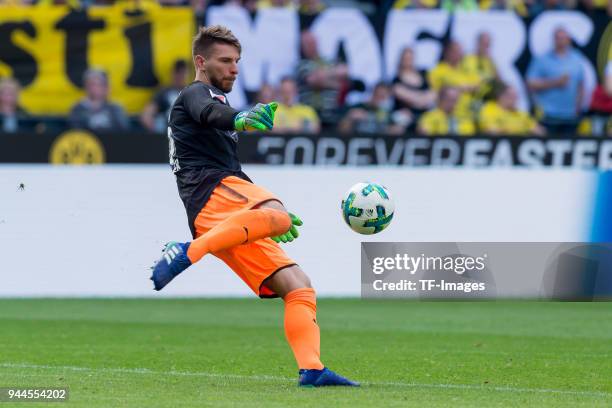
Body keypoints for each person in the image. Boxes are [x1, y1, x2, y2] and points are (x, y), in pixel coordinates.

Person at [150, 25, 359, 388]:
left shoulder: (216, 99)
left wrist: (265, 219)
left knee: (298, 286)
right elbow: (209, 113)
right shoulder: (195, 94)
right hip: (210, 193)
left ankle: (312, 369)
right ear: (201, 62)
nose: (234, 68)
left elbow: (228, 157)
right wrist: (240, 119)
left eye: (237, 61)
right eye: (225, 61)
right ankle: (187, 252)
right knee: (275, 214)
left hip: (219, 208)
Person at [527, 27, 584, 136]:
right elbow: (531, 83)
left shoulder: (577, 59)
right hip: (548, 114)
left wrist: (579, 106)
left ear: (568, 40)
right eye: (558, 38)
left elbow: (580, 85)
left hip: (570, 115)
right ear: (553, 40)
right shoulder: (542, 59)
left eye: (564, 38)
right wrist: (555, 82)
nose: (561, 41)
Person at [428, 40, 480, 118]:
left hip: (467, 116)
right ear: (448, 52)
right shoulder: (438, 70)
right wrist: (461, 87)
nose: (459, 54)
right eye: (456, 51)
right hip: (445, 116)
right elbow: (436, 91)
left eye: (460, 51)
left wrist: (457, 87)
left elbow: (477, 86)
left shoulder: (466, 69)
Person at [339, 82, 409, 135]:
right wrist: (350, 118)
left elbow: (398, 130)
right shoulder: (358, 107)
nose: (379, 99)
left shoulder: (389, 113)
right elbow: (341, 131)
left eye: (383, 96)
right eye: (377, 95)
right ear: (373, 93)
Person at [141, 59, 189, 133]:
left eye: (183, 73)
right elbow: (147, 114)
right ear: (173, 73)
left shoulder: (191, 93)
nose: (180, 76)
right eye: (178, 73)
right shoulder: (164, 92)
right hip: (165, 130)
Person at [479, 84, 545, 135]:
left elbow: (539, 130)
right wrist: (517, 130)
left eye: (515, 96)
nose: (515, 99)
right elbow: (490, 130)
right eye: (511, 96)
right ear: (501, 96)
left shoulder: (521, 114)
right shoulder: (490, 109)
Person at [391, 48, 435, 121]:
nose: (408, 61)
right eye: (406, 58)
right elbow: (413, 99)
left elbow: (434, 94)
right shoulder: (396, 81)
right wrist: (422, 98)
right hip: (406, 117)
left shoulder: (423, 74)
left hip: (425, 115)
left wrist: (419, 99)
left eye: (410, 58)